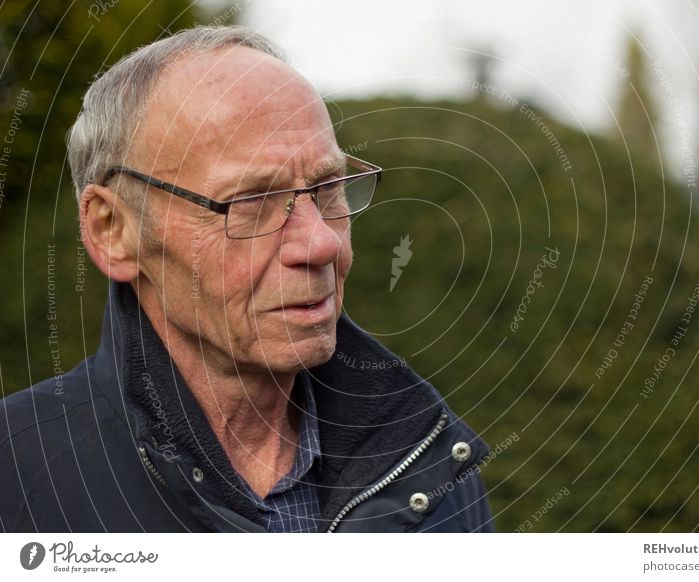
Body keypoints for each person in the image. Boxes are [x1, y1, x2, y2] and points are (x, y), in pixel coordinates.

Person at [0, 25, 493, 533]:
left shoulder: (428, 466)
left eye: (329, 188)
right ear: (114, 230)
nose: (321, 243)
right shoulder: (18, 481)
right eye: (252, 202)